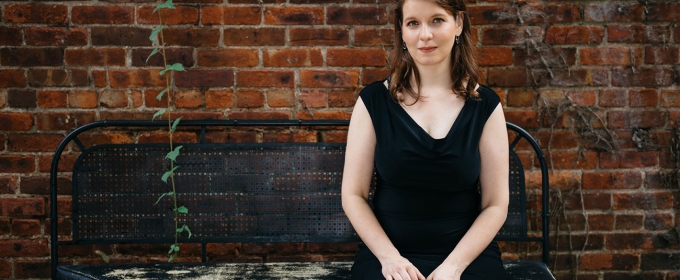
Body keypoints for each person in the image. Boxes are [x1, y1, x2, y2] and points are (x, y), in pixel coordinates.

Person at [340, 0, 509, 279]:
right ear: (402, 32)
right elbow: (353, 195)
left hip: (466, 257)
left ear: (459, 24)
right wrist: (389, 259)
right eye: (413, 23)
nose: (425, 35)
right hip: (389, 254)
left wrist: (453, 267)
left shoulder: (485, 105)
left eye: (437, 20)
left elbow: (496, 204)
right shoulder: (373, 101)